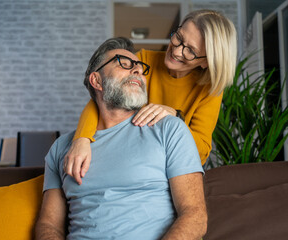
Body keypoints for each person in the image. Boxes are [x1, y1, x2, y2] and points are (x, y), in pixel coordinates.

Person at [35, 37, 207, 239]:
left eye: (140, 68)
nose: (137, 70)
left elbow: (195, 216)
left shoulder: (170, 129)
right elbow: (49, 225)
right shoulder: (61, 148)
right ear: (96, 80)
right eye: (124, 64)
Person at [65, 9, 237, 185]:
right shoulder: (143, 61)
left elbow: (200, 153)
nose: (177, 51)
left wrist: (176, 117)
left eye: (190, 51)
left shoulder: (209, 90)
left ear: (206, 61)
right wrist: (81, 140)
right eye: (179, 37)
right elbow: (101, 100)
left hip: (163, 171)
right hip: (126, 154)